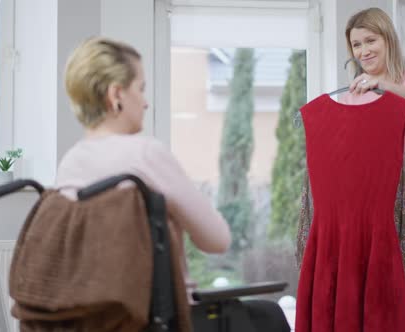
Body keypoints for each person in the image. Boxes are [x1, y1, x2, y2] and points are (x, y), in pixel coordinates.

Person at [55, 37, 290, 332]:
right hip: (166, 319)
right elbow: (217, 240)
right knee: (270, 315)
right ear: (117, 94)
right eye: (140, 89)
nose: (145, 101)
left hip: (99, 319)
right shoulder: (146, 155)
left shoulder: (69, 163)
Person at [341, 8, 405, 332]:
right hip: (371, 211)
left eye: (371, 40)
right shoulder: (354, 95)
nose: (363, 51)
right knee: (375, 309)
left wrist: (381, 84)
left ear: (388, 40)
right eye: (356, 45)